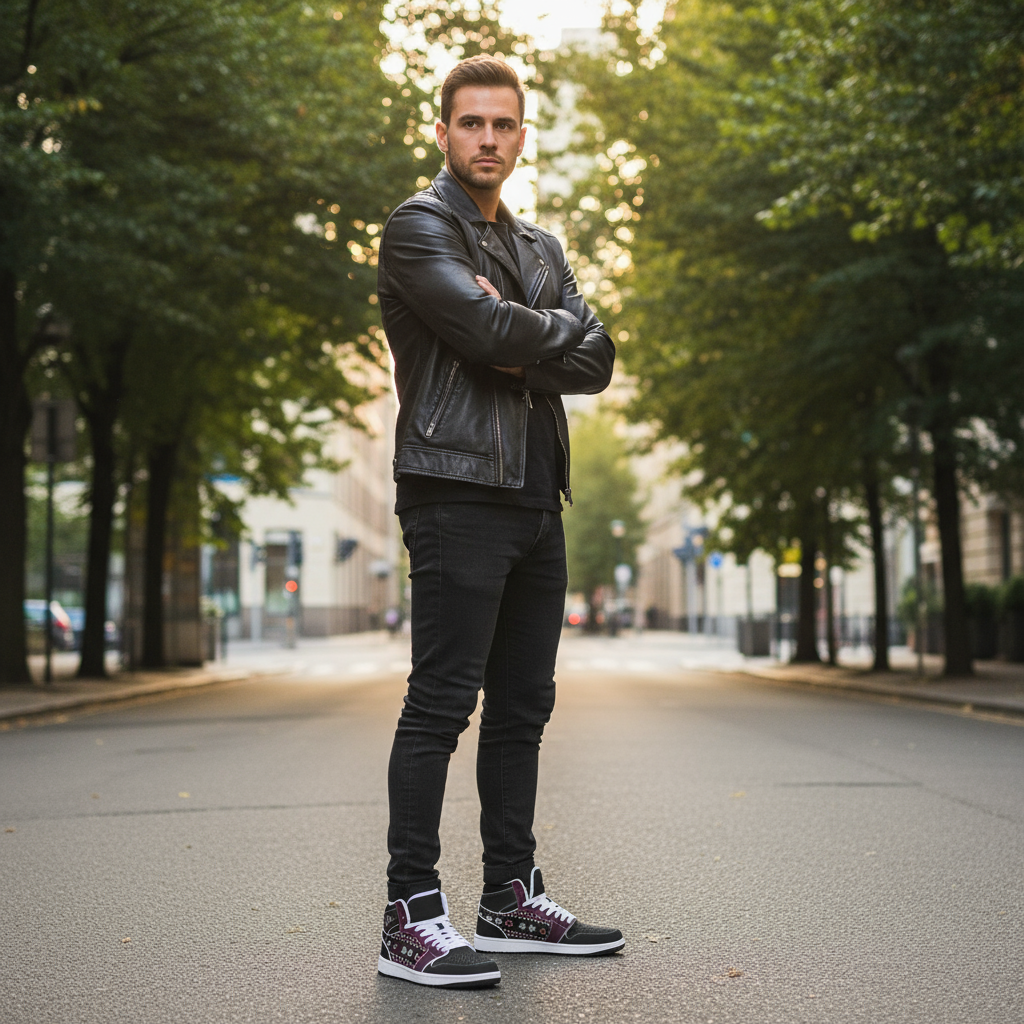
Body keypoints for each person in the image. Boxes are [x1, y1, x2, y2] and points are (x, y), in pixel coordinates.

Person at [375, 55, 622, 989]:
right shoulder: (416, 227)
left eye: (503, 124)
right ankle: (410, 915)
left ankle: (510, 896)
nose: (487, 138)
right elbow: (481, 337)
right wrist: (524, 337)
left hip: (533, 496)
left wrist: (516, 335)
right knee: (441, 705)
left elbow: (597, 359)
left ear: (522, 137)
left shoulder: (540, 247)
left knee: (523, 708)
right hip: (453, 490)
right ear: (443, 133)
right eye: (470, 123)